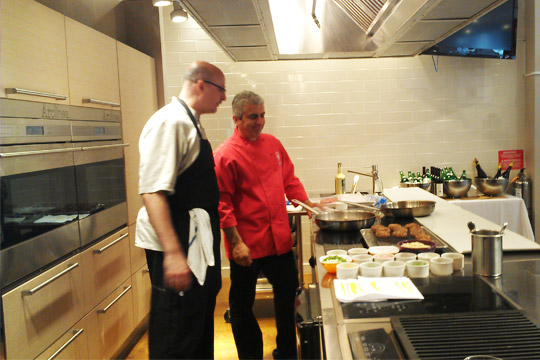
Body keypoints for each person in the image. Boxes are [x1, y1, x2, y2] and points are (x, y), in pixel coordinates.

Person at [213, 90, 322, 359]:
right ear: (236, 119)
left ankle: (285, 352)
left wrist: (309, 206)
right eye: (253, 116)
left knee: (287, 300)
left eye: (262, 115)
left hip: (279, 241)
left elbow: (290, 180)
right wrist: (235, 242)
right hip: (246, 245)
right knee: (241, 307)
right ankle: (251, 355)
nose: (260, 121)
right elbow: (222, 203)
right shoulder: (225, 155)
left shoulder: (273, 144)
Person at [135, 61, 226, 359]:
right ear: (201, 84)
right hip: (175, 249)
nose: (223, 98)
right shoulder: (171, 122)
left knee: (195, 331)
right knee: (176, 338)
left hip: (193, 246)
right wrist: (174, 254)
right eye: (221, 90)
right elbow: (152, 191)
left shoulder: (191, 122)